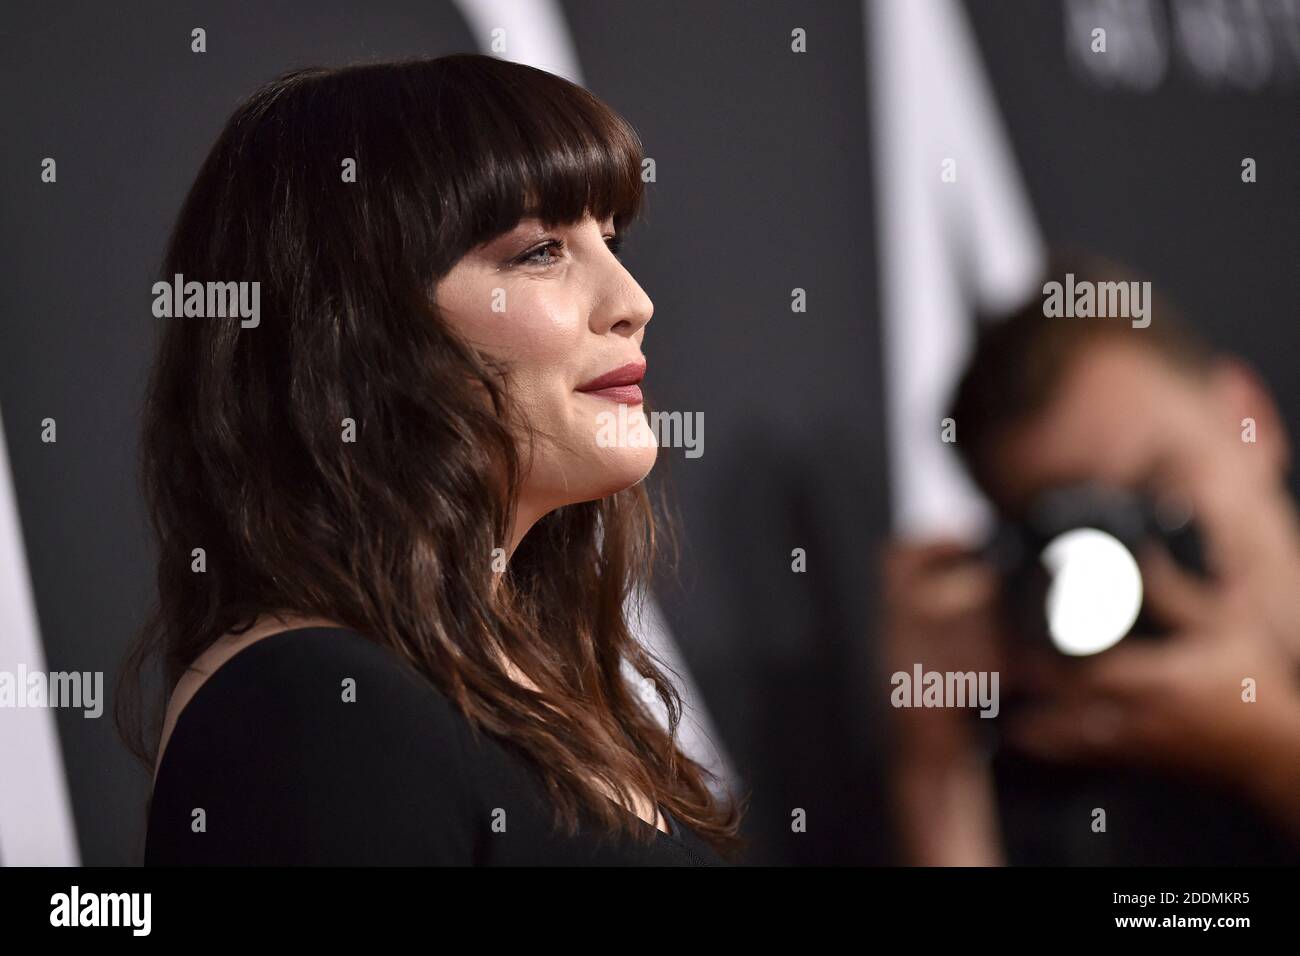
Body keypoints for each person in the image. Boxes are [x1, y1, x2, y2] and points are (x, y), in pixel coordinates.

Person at [118, 54, 743, 865]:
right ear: (356, 332)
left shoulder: (532, 689)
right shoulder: (313, 709)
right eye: (539, 251)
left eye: (610, 238)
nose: (633, 301)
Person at [884, 259, 1300, 865]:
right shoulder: (1054, 767)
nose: (1141, 555)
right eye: (1086, 527)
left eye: (1157, 482)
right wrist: (934, 771)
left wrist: (1272, 750)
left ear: (1248, 417)